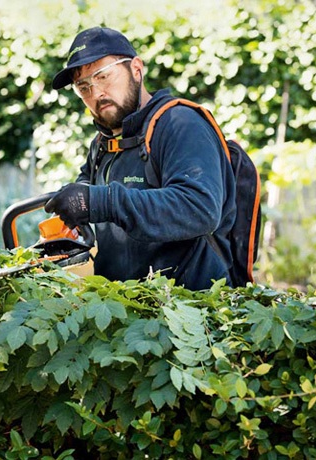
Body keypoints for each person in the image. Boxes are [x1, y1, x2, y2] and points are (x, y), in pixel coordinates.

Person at [44, 26, 237, 290]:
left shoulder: (181, 124)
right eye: (83, 86)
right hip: (122, 308)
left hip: (190, 311)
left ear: (136, 68)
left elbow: (199, 208)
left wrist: (102, 201)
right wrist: (72, 227)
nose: (96, 93)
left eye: (103, 76)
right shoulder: (102, 145)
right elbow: (88, 199)